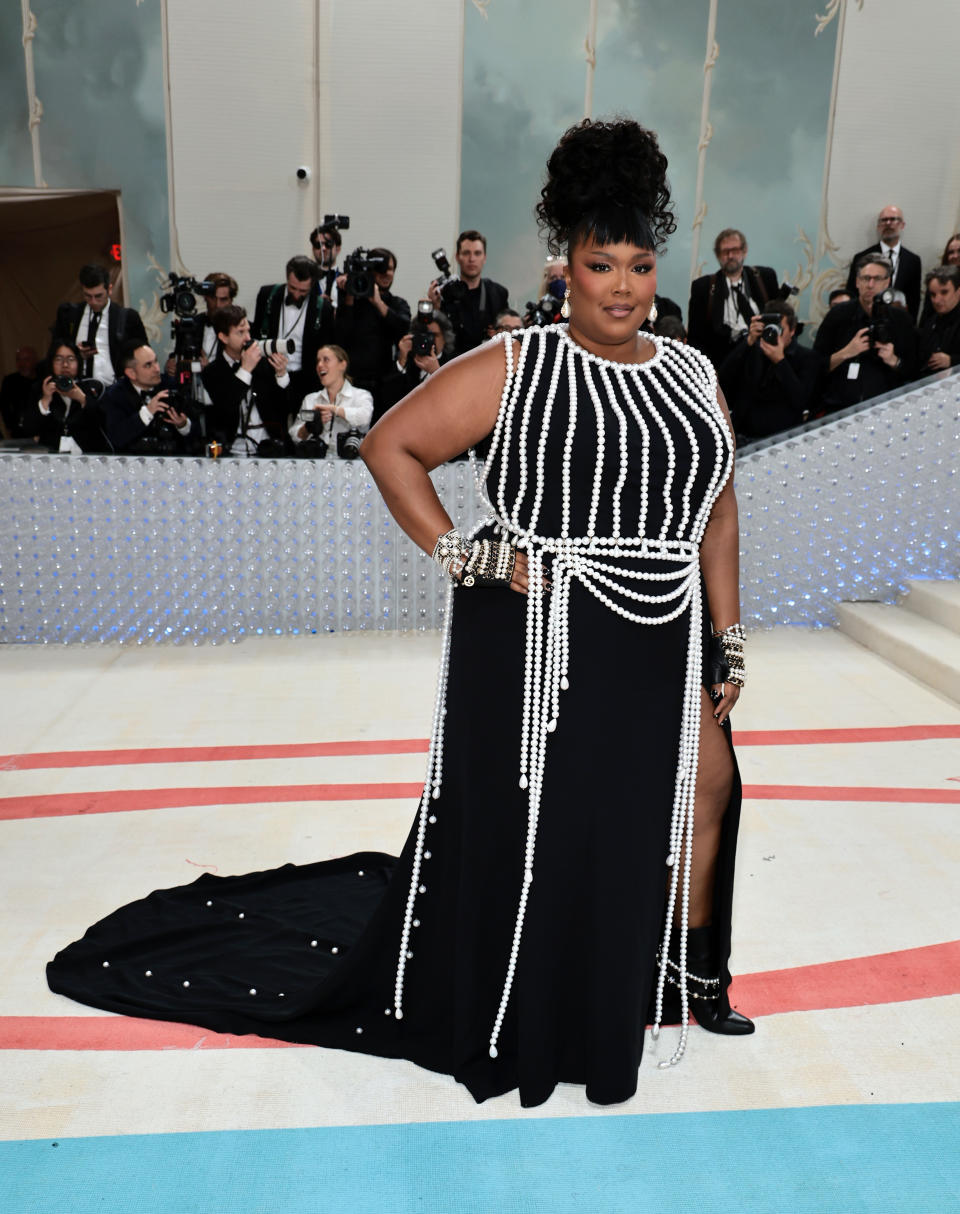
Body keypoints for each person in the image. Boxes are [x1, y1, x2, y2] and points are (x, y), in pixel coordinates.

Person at [47, 118, 753, 1109]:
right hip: (544, 641)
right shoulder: (522, 366)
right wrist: (469, 554)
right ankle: (537, 999)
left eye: (640, 263)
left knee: (706, 788)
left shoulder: (691, 372)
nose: (625, 285)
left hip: (658, 632)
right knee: (556, 827)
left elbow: (717, 504)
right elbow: (391, 447)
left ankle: (684, 977)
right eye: (603, 264)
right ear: (568, 268)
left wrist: (728, 633)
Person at [814, 254, 917, 413]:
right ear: (857, 281)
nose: (870, 284)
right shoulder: (838, 315)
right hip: (839, 408)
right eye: (866, 278)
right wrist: (846, 352)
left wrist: (894, 360)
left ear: (887, 282)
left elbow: (914, 368)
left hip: (886, 408)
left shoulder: (901, 319)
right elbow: (816, 365)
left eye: (877, 279)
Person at [718, 301, 823, 440]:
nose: (774, 333)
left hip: (783, 438)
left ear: (792, 330)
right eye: (769, 327)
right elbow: (723, 380)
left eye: (780, 329)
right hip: (743, 435)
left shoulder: (807, 358)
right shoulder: (752, 350)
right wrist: (749, 341)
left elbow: (801, 400)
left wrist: (780, 361)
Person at [201, 305, 292, 455]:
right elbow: (226, 407)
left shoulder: (263, 363)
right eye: (240, 332)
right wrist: (245, 370)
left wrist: (281, 374)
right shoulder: (212, 372)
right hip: (231, 450)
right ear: (223, 337)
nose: (248, 338)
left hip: (269, 447)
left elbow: (285, 407)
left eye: (248, 330)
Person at [688, 230, 779, 366]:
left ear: (744, 251)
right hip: (722, 363)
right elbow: (695, 338)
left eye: (735, 250)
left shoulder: (764, 277)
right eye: (725, 252)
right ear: (718, 255)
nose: (730, 256)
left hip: (762, 359)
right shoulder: (703, 287)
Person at [333, 247, 410, 405]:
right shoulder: (352, 301)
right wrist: (348, 295)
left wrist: (378, 303)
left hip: (383, 385)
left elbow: (402, 328)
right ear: (370, 271)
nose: (387, 274)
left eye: (391, 269)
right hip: (351, 384)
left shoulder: (397, 303)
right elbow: (340, 335)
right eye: (381, 269)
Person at [252, 255, 335, 400]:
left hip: (305, 380)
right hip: (269, 376)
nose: (296, 295)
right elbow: (256, 333)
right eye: (292, 288)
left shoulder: (323, 308)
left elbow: (326, 348)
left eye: (303, 291)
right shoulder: (267, 295)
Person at [52, 264, 147, 386]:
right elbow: (55, 352)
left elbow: (144, 356)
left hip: (113, 390)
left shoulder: (127, 318)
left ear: (110, 289)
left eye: (98, 296)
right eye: (88, 296)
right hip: (77, 389)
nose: (93, 302)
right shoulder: (69, 314)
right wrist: (76, 355)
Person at [102, 342, 194, 454]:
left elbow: (197, 434)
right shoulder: (115, 395)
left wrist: (182, 425)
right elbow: (117, 438)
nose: (157, 369)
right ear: (131, 373)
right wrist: (148, 412)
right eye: (148, 365)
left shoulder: (172, 386)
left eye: (156, 361)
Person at [429, 230, 509, 353]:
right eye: (466, 253)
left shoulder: (498, 294)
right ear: (457, 257)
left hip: (487, 361)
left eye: (477, 253)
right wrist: (435, 308)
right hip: (451, 363)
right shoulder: (443, 294)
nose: (472, 259)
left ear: (485, 257)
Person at [289, 344, 373, 455]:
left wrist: (335, 410)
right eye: (318, 361)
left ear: (342, 365)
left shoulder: (361, 395)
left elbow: (364, 418)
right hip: (316, 463)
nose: (320, 365)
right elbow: (295, 435)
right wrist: (308, 427)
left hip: (351, 464)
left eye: (326, 360)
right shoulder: (311, 399)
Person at [28, 340, 108, 453]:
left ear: (79, 362)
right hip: (50, 454)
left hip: (86, 454)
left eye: (71, 359)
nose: (65, 365)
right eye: (59, 359)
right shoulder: (40, 388)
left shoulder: (91, 387)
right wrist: (45, 400)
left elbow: (102, 424)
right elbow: (29, 428)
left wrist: (82, 399)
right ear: (51, 362)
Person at [378, 307, 456, 421]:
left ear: (445, 337)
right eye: (423, 335)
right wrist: (402, 359)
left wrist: (436, 371)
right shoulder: (407, 362)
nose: (428, 341)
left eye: (433, 335)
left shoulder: (454, 363)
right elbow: (387, 400)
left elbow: (455, 400)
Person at [845, 206, 922, 320]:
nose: (888, 223)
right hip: (864, 320)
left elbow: (913, 300)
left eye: (893, 219)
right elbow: (852, 294)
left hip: (898, 323)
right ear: (878, 226)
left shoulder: (913, 261)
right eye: (884, 220)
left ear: (902, 225)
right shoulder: (861, 257)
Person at [917, 265, 960, 373]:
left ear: (958, 292)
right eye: (933, 294)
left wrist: (952, 361)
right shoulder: (930, 322)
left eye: (944, 292)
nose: (937, 300)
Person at [0, 345, 40, 438]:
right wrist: (9, 426)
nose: (22, 364)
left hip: (40, 430)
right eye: (18, 360)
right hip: (17, 430)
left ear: (35, 361)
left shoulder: (42, 380)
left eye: (26, 360)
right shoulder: (10, 381)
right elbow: (4, 406)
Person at [920, 236, 960, 325]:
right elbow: (926, 317)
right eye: (951, 252)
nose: (955, 256)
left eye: (959, 251)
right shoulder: (935, 280)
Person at [310, 222, 343, 304]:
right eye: (318, 245)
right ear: (313, 249)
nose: (323, 248)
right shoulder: (305, 279)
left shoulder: (347, 281)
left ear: (338, 249)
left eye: (328, 244)